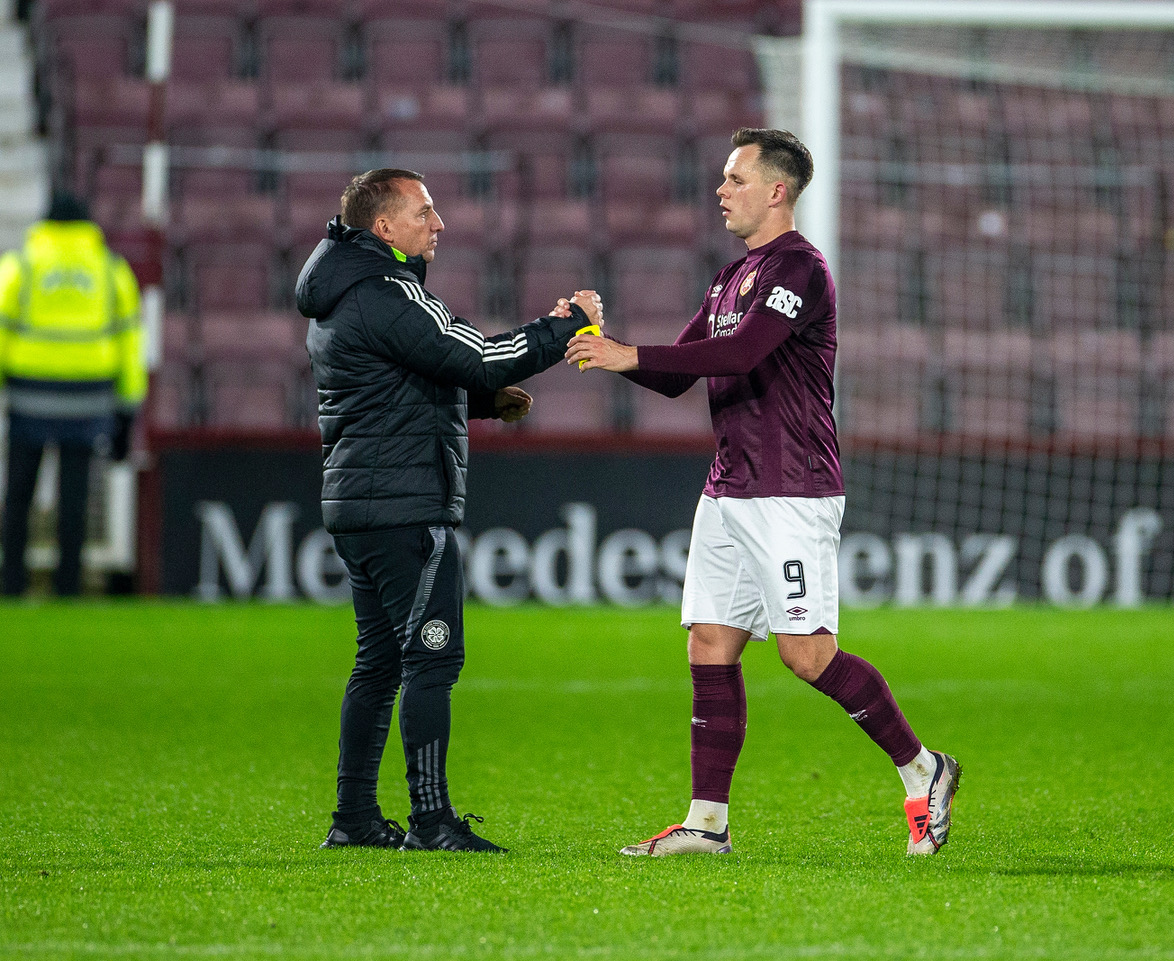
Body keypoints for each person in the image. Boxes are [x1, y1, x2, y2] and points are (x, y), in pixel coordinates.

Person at [566, 128, 960, 857]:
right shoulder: (727, 278)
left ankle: (923, 767)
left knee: (805, 654)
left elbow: (743, 352)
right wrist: (605, 342)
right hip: (728, 486)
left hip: (790, 487)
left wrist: (627, 352)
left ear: (775, 190)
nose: (721, 190)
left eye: (734, 178)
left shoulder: (800, 271)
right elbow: (679, 371)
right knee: (710, 642)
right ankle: (705, 823)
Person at [297, 168, 601, 853]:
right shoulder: (387, 293)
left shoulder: (342, 294)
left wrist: (479, 403)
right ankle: (432, 821)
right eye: (424, 213)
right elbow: (482, 355)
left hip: (360, 500)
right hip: (405, 505)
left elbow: (396, 387)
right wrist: (564, 328)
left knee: (376, 661)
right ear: (384, 228)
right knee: (432, 659)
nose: (438, 224)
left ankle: (353, 817)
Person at [0, 192, 145, 597]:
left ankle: (11, 585)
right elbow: (130, 341)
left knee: (18, 496)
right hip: (88, 398)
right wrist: (127, 406)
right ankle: (68, 587)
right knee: (75, 498)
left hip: (28, 395)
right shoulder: (109, 267)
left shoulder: (21, 265)